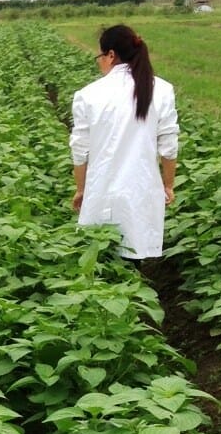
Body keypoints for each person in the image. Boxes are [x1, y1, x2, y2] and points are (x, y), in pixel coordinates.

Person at [69, 24, 179, 260]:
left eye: (100, 56)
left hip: (102, 190)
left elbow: (80, 151)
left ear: (111, 55)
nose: (99, 63)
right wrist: (167, 184)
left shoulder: (88, 94)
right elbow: (168, 145)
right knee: (134, 253)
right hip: (142, 190)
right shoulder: (162, 90)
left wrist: (81, 190)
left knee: (100, 260)